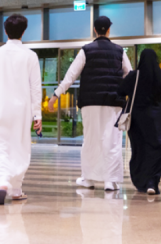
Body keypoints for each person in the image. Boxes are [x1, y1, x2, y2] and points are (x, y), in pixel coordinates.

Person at [47, 16, 132, 191]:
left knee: (91, 140)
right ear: (109, 30)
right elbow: (129, 74)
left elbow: (71, 75)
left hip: (90, 101)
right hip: (114, 101)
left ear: (94, 30)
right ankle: (110, 181)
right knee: (112, 140)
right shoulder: (119, 51)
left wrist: (56, 94)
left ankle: (88, 179)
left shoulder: (86, 50)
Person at [0, 14, 43, 205]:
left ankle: (3, 181)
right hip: (22, 109)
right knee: (19, 146)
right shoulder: (30, 56)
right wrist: (37, 113)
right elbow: (35, 87)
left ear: (5, 31)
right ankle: (16, 189)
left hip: (0, 107)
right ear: (23, 32)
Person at [118, 48, 161, 195]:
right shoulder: (159, 76)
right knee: (157, 149)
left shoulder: (134, 76)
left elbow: (120, 90)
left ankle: (140, 181)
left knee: (139, 150)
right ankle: (152, 182)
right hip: (155, 120)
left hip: (137, 121)